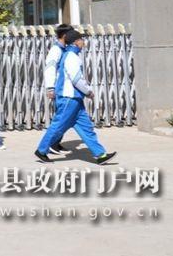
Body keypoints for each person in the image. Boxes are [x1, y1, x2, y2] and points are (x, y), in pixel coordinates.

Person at [35, 30, 117, 164]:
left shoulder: (71, 55)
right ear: (76, 42)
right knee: (57, 126)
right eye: (81, 39)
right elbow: (76, 79)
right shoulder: (71, 57)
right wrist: (88, 91)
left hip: (75, 99)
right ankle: (41, 150)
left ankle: (100, 155)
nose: (83, 42)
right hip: (69, 98)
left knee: (86, 128)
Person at [42, 24, 72, 155]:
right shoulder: (56, 50)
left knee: (63, 118)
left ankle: (55, 143)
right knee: (61, 118)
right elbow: (50, 68)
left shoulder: (64, 49)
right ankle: (51, 144)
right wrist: (50, 88)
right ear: (65, 35)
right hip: (58, 89)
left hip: (63, 88)